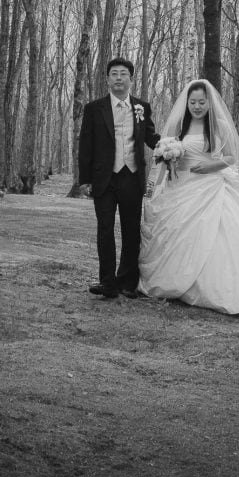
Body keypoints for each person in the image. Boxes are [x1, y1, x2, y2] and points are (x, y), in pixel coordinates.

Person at [139, 79, 239, 315]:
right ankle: (176, 282)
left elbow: (231, 157)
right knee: (178, 234)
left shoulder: (219, 125)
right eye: (193, 102)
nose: (197, 106)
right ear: (187, 103)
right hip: (181, 187)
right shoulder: (181, 125)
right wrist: (169, 159)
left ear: (209, 103)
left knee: (219, 236)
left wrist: (210, 167)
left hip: (211, 186)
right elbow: (168, 152)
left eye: (201, 102)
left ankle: (222, 292)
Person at [78, 58, 160, 299]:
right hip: (103, 178)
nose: (118, 78)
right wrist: (85, 179)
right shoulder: (94, 108)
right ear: (107, 79)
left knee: (131, 230)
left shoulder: (142, 107)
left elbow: (150, 137)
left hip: (132, 178)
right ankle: (107, 282)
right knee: (104, 229)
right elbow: (86, 144)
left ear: (130, 79)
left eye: (123, 74)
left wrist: (166, 145)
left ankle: (127, 281)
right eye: (113, 73)